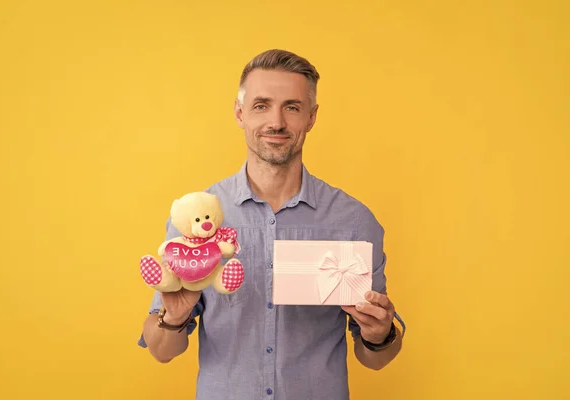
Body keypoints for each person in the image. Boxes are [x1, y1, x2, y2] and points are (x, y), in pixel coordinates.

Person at [138, 49, 406, 400]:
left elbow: (377, 359)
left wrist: (380, 333)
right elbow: (162, 351)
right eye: (261, 105)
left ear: (311, 117)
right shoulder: (196, 220)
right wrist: (173, 318)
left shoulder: (353, 221)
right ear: (240, 113)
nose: (276, 122)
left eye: (292, 107)